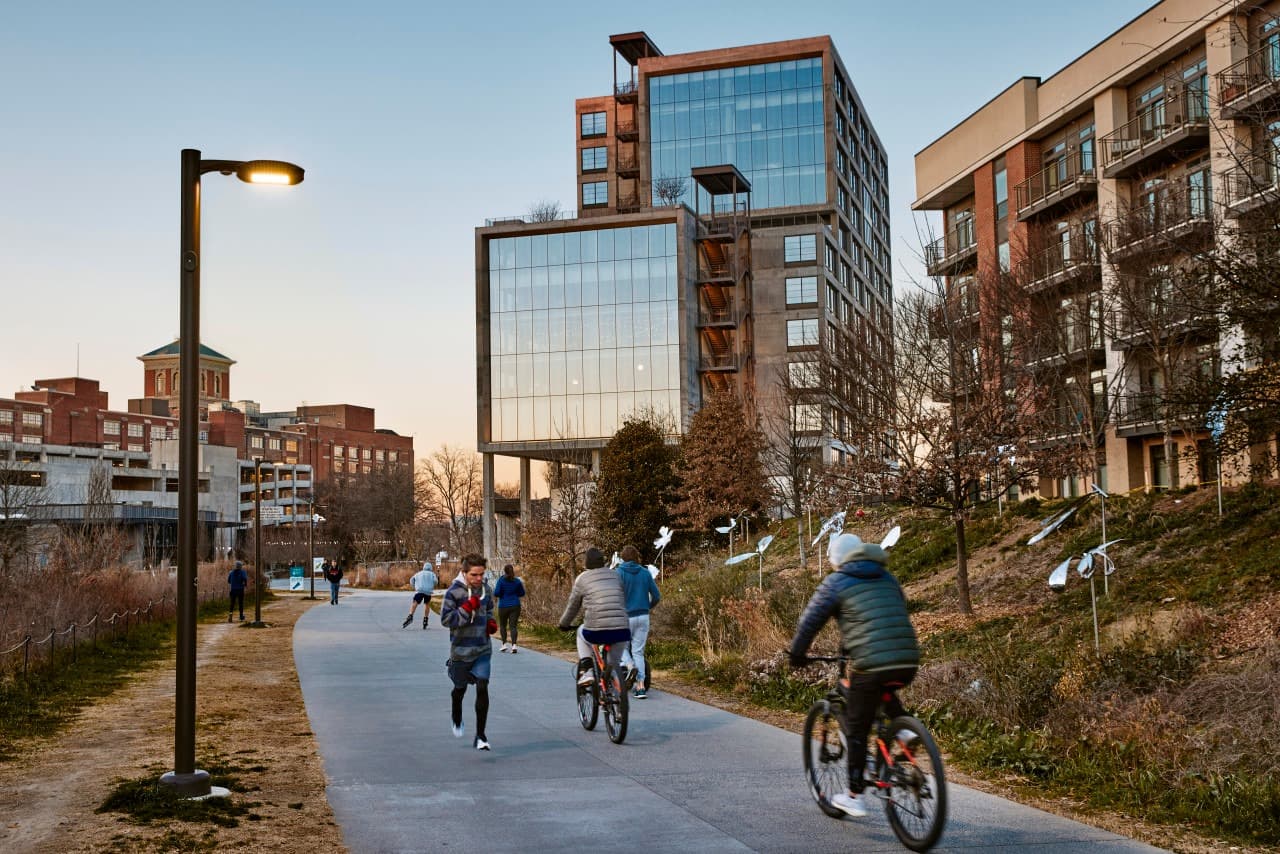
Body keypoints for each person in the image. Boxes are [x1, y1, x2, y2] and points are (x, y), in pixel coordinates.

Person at [788, 532, 920, 819]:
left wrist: (797, 653)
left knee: (858, 727)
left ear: (836, 560)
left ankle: (854, 796)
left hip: (871, 662)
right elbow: (885, 614)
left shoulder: (837, 581)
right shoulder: (886, 576)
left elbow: (810, 620)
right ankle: (905, 730)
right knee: (883, 688)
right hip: (907, 657)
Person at [440, 553, 497, 751]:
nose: (479, 578)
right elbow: (446, 620)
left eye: (482, 574)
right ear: (464, 573)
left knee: (482, 686)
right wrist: (466, 608)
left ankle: (481, 736)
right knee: (460, 689)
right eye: (474, 575)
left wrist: (490, 622)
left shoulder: (486, 590)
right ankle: (456, 715)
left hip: (482, 649)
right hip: (461, 651)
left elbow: (489, 609)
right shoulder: (453, 592)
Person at [558, 547, 630, 688]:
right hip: (622, 629)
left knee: (580, 632)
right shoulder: (616, 575)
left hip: (596, 630)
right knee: (612, 664)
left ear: (586, 563)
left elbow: (573, 606)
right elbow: (623, 598)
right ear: (603, 561)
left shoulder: (582, 579)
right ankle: (617, 687)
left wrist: (563, 624)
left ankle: (588, 671)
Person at [616, 545, 660, 698]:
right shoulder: (645, 573)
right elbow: (657, 596)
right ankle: (640, 687)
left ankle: (630, 667)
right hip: (643, 616)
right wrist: (647, 607)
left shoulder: (619, 573)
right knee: (638, 652)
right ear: (636, 557)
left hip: (625, 617)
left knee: (621, 647)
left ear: (623, 558)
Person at [492, 564, 526, 652]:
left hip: (503, 606)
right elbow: (522, 593)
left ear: (505, 571)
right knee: (513, 626)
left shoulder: (501, 580)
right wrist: (514, 594)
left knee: (503, 625)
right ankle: (514, 645)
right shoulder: (517, 581)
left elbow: (496, 593)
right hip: (515, 605)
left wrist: (502, 594)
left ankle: (504, 645)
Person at [402, 561, 438, 629]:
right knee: (427, 604)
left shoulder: (418, 573)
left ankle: (410, 616)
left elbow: (411, 580)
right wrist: (432, 585)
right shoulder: (432, 574)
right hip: (428, 591)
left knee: (415, 602)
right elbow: (436, 581)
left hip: (419, 590)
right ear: (431, 568)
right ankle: (425, 619)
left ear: (424, 567)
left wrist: (414, 586)